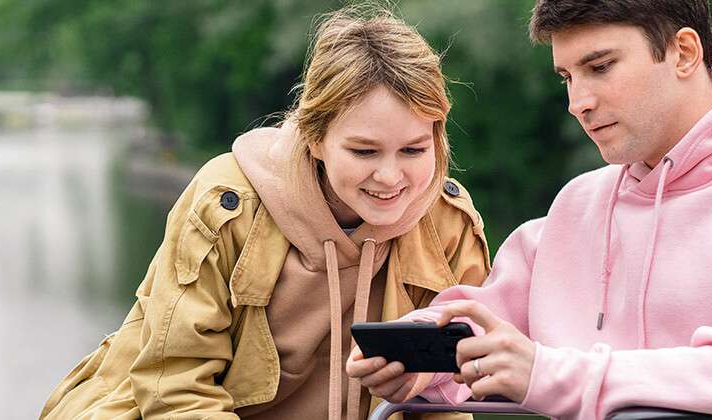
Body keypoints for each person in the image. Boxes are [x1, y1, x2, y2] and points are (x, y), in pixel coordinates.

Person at [347, 0, 712, 419]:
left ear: (682, 52)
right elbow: (487, 324)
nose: (576, 101)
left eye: (599, 67)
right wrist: (415, 361)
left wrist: (558, 374)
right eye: (567, 77)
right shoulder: (579, 206)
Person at [40, 5, 490, 420]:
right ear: (315, 138)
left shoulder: (448, 222)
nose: (391, 177)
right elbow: (175, 387)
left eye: (413, 149)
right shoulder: (226, 206)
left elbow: (454, 391)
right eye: (364, 151)